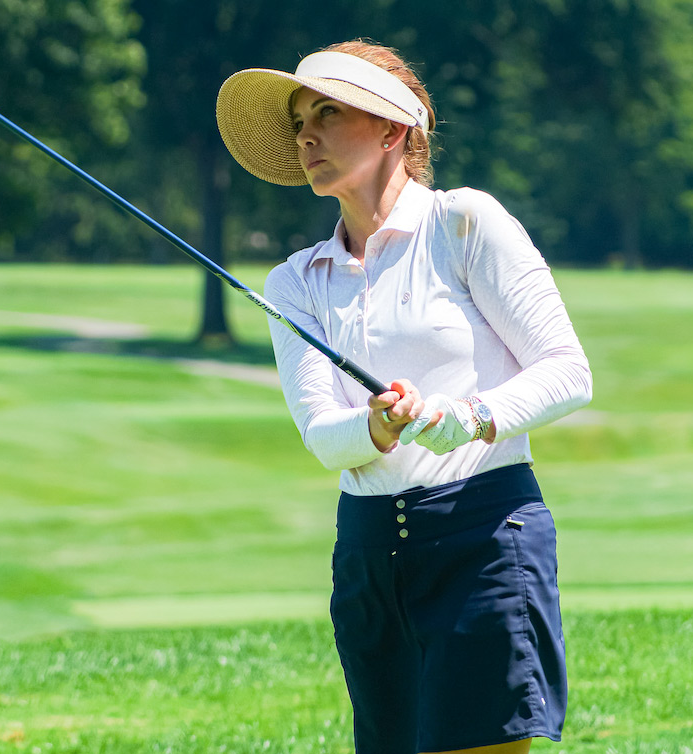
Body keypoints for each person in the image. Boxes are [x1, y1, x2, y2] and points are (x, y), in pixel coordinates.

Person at [216, 41, 592, 754]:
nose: (306, 135)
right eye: (300, 119)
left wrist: (471, 417)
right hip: (368, 558)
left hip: (483, 535)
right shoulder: (296, 281)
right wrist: (378, 427)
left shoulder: (463, 224)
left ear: (393, 130)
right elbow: (324, 436)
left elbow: (568, 371)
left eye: (328, 111)